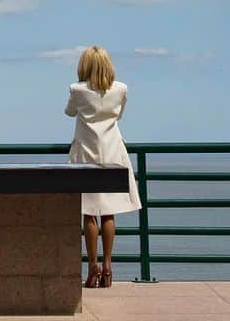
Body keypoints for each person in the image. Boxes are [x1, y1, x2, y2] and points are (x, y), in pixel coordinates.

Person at [65, 45, 141, 290]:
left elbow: (69, 112)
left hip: (86, 154)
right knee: (109, 212)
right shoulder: (120, 89)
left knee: (89, 212)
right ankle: (108, 267)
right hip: (113, 153)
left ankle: (92, 267)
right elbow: (118, 116)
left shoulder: (77, 90)